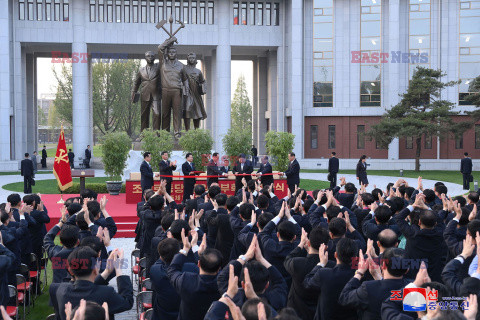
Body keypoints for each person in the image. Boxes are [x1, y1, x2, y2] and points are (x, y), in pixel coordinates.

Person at [49, 247, 134, 320]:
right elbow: (127, 302)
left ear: (70, 271)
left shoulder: (58, 289)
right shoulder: (107, 293)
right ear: (95, 270)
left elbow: (84, 286)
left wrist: (107, 272)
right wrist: (118, 270)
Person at [158, 36, 188, 139]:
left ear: (176, 54)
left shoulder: (181, 66)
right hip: (165, 91)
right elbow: (160, 48)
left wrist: (186, 91)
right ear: (167, 53)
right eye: (169, 52)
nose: (171, 53)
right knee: (165, 113)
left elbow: (185, 80)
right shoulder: (163, 63)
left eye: (173, 52)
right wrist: (170, 41)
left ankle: (177, 132)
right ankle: (165, 133)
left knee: (177, 113)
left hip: (177, 92)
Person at [131, 51, 161, 131]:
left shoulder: (158, 67)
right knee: (144, 115)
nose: (150, 57)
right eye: (148, 56)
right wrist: (133, 92)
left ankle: (156, 132)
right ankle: (144, 133)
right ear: (145, 58)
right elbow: (136, 83)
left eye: (152, 56)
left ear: (154, 58)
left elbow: (163, 57)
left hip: (156, 95)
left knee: (157, 113)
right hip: (145, 94)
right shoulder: (141, 70)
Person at [183, 52, 207, 130]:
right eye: (190, 58)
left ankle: (196, 132)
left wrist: (201, 86)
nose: (191, 59)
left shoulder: (198, 71)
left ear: (195, 59)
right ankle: (187, 131)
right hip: (187, 93)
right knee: (187, 111)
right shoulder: (184, 69)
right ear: (187, 59)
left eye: (193, 58)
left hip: (196, 94)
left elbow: (203, 81)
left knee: (197, 112)